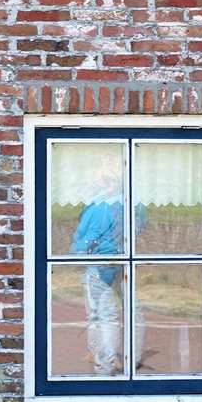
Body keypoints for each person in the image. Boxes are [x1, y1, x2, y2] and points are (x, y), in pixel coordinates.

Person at [69, 155, 133, 376]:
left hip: (98, 264)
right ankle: (100, 354)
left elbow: (90, 237)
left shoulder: (101, 205)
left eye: (95, 180)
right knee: (106, 312)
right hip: (115, 262)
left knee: (101, 314)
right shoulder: (125, 203)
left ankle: (104, 361)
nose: (90, 184)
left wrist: (78, 255)